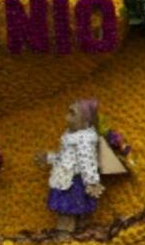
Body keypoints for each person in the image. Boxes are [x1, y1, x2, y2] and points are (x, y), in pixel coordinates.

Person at [37, 98, 105, 234]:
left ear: (85, 122)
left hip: (74, 182)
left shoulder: (84, 139)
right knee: (77, 212)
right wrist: (49, 158)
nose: (66, 117)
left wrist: (91, 182)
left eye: (72, 114)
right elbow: (64, 158)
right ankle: (80, 234)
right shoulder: (70, 136)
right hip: (66, 177)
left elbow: (88, 162)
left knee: (67, 213)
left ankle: (64, 237)